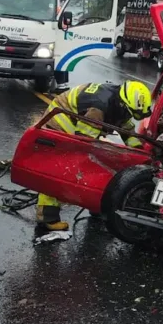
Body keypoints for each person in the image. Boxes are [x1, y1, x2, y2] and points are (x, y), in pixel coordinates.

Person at [36, 80, 152, 231]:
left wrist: (140, 152)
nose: (130, 116)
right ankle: (47, 217)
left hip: (79, 122)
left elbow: (127, 131)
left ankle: (95, 206)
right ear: (123, 104)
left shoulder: (120, 102)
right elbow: (85, 141)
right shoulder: (98, 108)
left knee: (94, 164)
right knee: (61, 168)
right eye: (130, 113)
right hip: (61, 123)